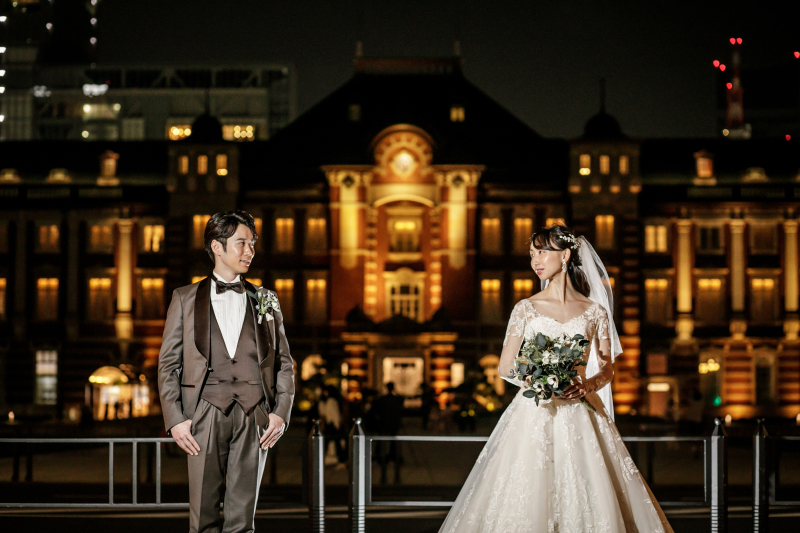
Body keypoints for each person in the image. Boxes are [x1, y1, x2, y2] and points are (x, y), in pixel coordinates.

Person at [439, 225, 673, 533]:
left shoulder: (595, 312)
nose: (535, 261)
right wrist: (539, 383)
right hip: (535, 413)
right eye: (531, 254)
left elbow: (607, 369)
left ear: (564, 256)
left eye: (541, 252)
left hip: (581, 411)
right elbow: (505, 366)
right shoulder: (525, 309)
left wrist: (586, 385)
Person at [158, 210, 295, 533]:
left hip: (254, 413)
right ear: (217, 247)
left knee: (242, 520)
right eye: (241, 243)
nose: (250, 251)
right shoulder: (184, 298)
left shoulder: (265, 299)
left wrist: (280, 413)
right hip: (203, 413)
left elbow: (284, 362)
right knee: (203, 517)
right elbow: (168, 364)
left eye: (253, 243)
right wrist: (175, 419)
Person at [370, 382, 405, 483]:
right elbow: (401, 404)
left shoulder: (382, 399)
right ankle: (392, 456)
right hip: (393, 424)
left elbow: (375, 408)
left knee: (382, 442)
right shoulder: (395, 399)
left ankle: (382, 457)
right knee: (393, 442)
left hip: (384, 424)